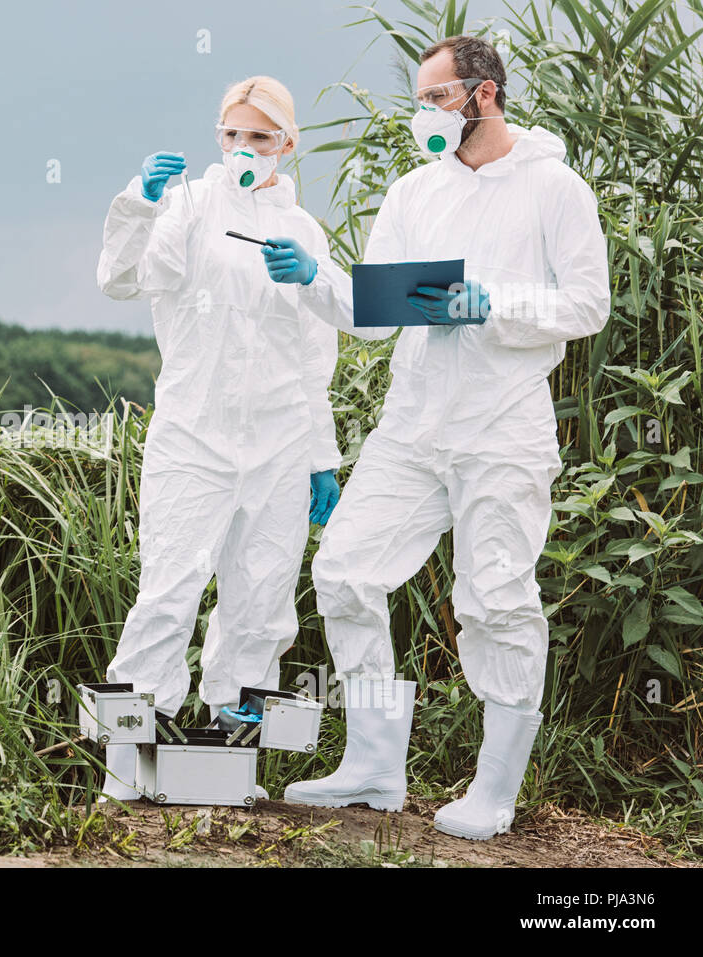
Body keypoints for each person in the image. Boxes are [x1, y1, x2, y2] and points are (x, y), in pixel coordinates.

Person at [264, 36, 610, 839]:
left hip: (503, 428)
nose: (426, 114)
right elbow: (372, 314)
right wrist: (314, 279)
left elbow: (587, 305)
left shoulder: (555, 189)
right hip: (412, 426)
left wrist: (493, 303)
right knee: (346, 570)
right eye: (420, 102)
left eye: (437, 100)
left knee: (494, 600)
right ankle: (376, 764)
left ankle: (493, 791)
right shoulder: (412, 191)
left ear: (484, 95)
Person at [94, 76, 348, 801]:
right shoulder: (191, 205)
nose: (243, 148)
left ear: (287, 145)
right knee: (169, 590)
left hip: (278, 442)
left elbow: (312, 357)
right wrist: (139, 199)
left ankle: (222, 769)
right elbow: (121, 278)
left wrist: (320, 458)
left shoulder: (303, 232)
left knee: (260, 602)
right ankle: (128, 773)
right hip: (194, 437)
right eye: (232, 134)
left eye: (259, 137)